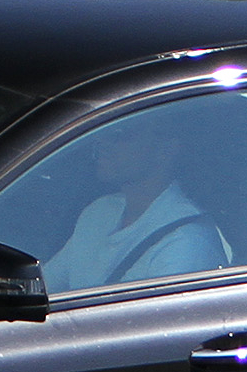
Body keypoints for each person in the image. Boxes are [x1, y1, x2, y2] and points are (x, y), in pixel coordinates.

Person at [39, 110, 232, 293]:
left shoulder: (186, 243)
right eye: (105, 131)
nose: (103, 142)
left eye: (121, 134)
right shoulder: (98, 212)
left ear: (165, 150)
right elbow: (43, 287)